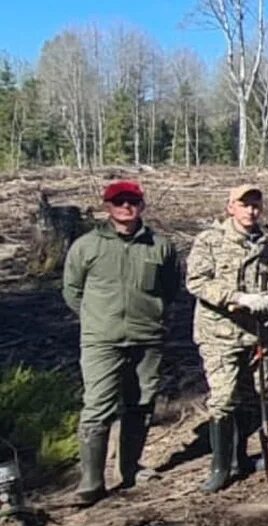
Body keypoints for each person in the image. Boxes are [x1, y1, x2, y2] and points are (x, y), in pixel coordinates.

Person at [62, 181, 181, 505]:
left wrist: (152, 318)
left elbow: (171, 289)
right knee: (98, 406)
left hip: (147, 337)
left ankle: (130, 468)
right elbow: (72, 292)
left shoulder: (160, 246)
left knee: (141, 403)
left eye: (132, 202)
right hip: (102, 340)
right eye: (119, 202)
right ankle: (91, 481)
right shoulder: (87, 246)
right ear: (107, 207)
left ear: (142, 205)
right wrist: (98, 320)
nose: (125, 207)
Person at [186, 185, 268, 493]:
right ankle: (220, 466)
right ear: (230, 207)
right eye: (243, 205)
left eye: (256, 205)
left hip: (254, 334)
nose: (250, 211)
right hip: (219, 334)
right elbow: (197, 282)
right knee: (223, 398)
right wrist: (236, 297)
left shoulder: (267, 245)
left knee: (250, 395)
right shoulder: (211, 241)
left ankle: (240, 458)